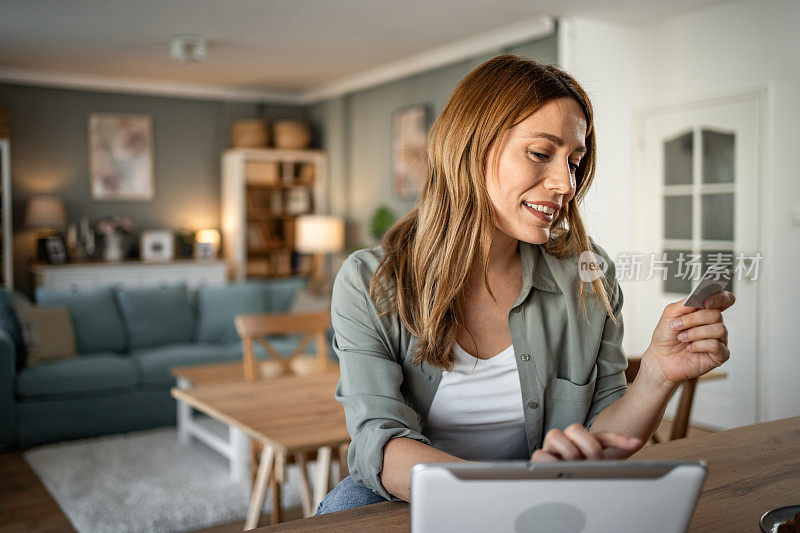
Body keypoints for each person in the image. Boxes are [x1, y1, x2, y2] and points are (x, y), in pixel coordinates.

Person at [315, 54, 734, 515]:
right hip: (409, 497)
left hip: (541, 493)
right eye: (540, 154)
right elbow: (382, 443)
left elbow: (603, 435)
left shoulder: (589, 277)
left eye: (574, 162)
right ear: (470, 148)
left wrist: (657, 372)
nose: (566, 184)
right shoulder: (370, 282)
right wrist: (509, 493)